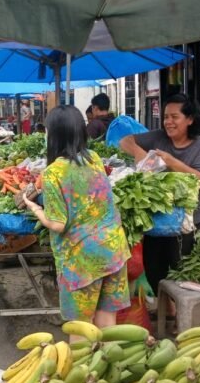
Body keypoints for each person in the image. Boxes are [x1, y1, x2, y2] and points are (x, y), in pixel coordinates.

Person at [23, 105, 131, 328]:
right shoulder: (93, 158)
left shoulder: (53, 173)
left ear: (53, 135)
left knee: (81, 326)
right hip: (113, 250)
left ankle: (82, 363)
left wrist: (33, 207)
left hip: (82, 259)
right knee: (107, 320)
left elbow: (57, 223)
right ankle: (108, 362)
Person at [119, 94, 200, 308]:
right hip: (157, 220)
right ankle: (168, 310)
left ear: (190, 119)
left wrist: (170, 161)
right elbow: (125, 140)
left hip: (186, 223)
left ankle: (180, 314)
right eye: (165, 117)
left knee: (181, 270)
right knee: (153, 269)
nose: (168, 122)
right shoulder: (158, 137)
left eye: (174, 117)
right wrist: (140, 153)